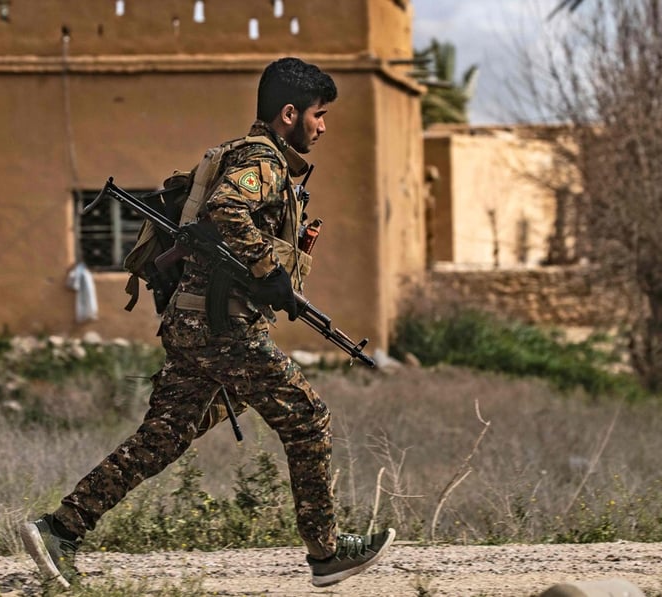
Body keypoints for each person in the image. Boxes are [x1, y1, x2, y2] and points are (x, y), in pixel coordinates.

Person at [21, 57, 394, 589]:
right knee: (308, 419)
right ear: (290, 114)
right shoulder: (261, 162)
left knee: (163, 437)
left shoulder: (248, 157)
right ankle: (327, 551)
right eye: (319, 114)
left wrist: (272, 281)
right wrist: (269, 271)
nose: (323, 126)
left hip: (196, 322)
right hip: (224, 329)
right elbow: (226, 210)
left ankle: (60, 529)